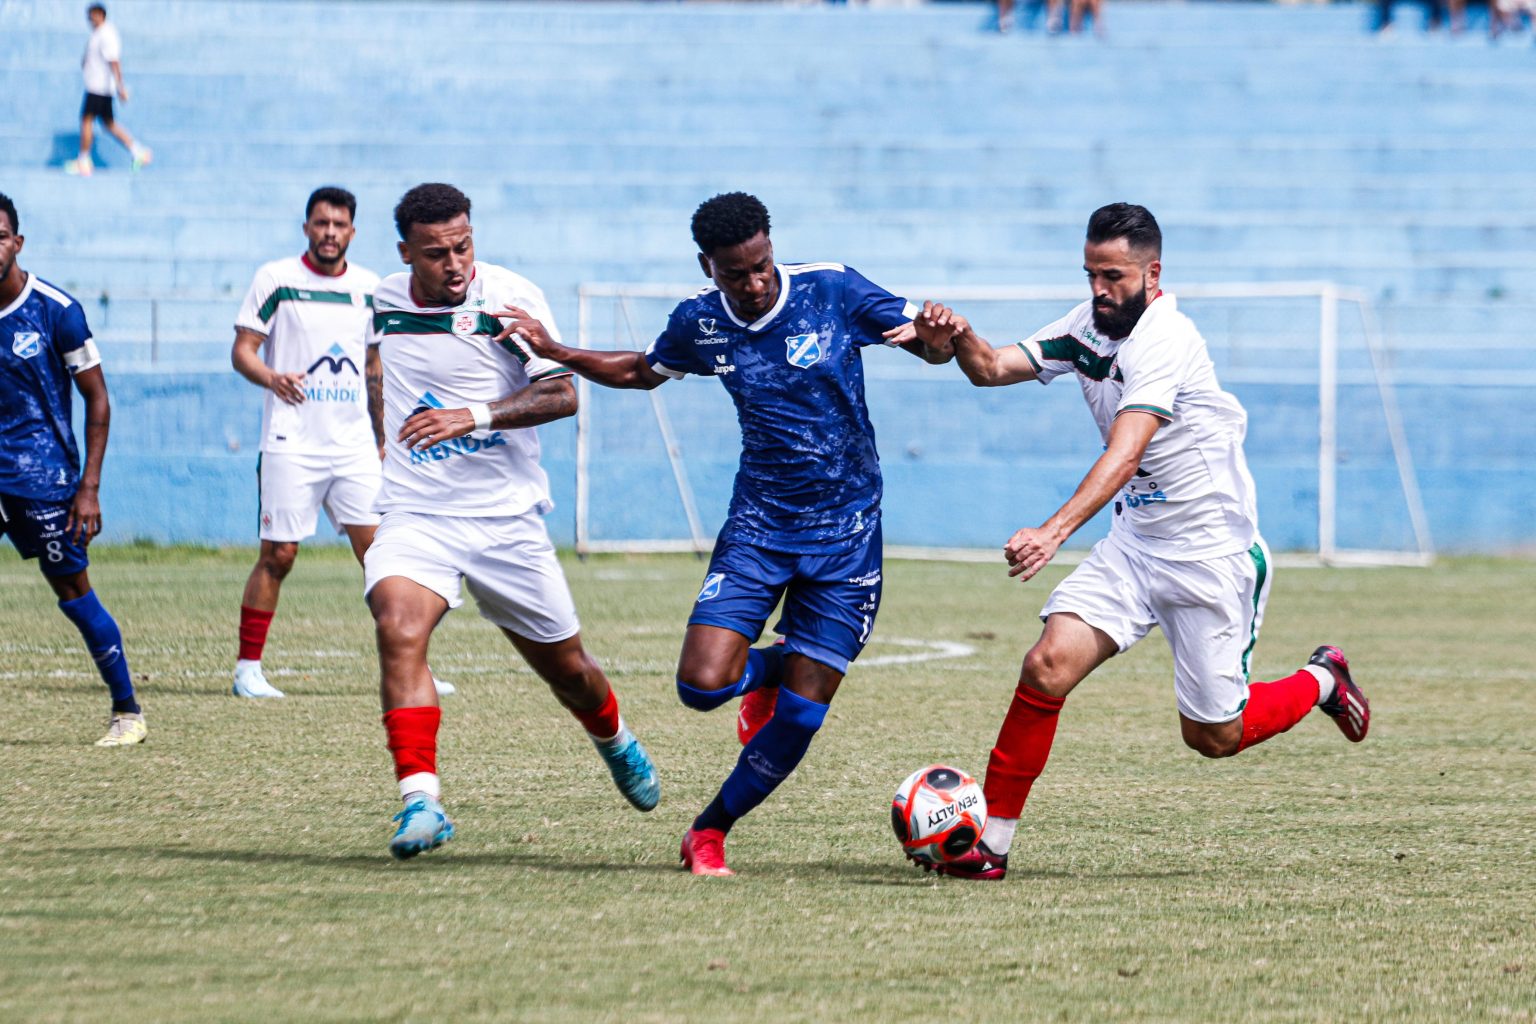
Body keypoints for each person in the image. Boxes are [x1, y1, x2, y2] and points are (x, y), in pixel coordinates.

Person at [896, 204, 1370, 881]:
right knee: (1046, 665)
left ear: (1153, 273)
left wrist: (1052, 533)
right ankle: (989, 848)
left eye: (1113, 276)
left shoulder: (1166, 340)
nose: (1099, 290)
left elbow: (1125, 454)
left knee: (1213, 736)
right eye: (1091, 274)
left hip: (1208, 553)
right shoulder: (1086, 325)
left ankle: (1322, 680)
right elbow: (992, 368)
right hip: (1135, 544)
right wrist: (961, 335)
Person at [498, 191, 948, 876]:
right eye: (736, 273)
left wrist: (940, 340)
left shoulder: (831, 288)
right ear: (707, 266)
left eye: (762, 265)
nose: (755, 282)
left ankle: (708, 832)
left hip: (848, 532)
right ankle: (774, 666)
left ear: (771, 247)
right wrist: (555, 349)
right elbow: (641, 371)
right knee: (703, 687)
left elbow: (930, 348)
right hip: (759, 526)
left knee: (800, 718)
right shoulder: (700, 322)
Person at [365, 183, 659, 860]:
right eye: (436, 253)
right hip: (418, 512)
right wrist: (380, 429)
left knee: (569, 671)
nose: (454, 263)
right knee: (398, 627)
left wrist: (470, 416)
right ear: (406, 253)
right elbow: (377, 360)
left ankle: (615, 740)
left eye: (463, 246)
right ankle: (421, 801)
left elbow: (561, 395)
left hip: (506, 520)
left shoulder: (507, 301)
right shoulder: (383, 300)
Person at [230, 186, 452, 700]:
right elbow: (243, 350)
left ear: (352, 231)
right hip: (291, 441)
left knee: (383, 556)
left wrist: (382, 438)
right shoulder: (276, 279)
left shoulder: (370, 288)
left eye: (339, 225)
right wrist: (272, 378)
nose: (329, 233)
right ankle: (247, 670)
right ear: (307, 227)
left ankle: (414, 667)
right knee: (279, 554)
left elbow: (374, 366)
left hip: (354, 447)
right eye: (321, 223)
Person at [0, 192, 146, 746]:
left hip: (42, 482)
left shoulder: (57, 311)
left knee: (73, 592)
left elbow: (97, 398)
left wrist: (89, 487)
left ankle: (127, 711)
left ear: (17, 242)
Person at [64, 4, 151, 177]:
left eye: (93, 15)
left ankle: (84, 160)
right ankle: (138, 151)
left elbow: (114, 61)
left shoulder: (107, 34)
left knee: (87, 120)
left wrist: (120, 87)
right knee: (108, 124)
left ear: (101, 15)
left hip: (99, 88)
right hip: (97, 86)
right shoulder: (98, 34)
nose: (90, 19)